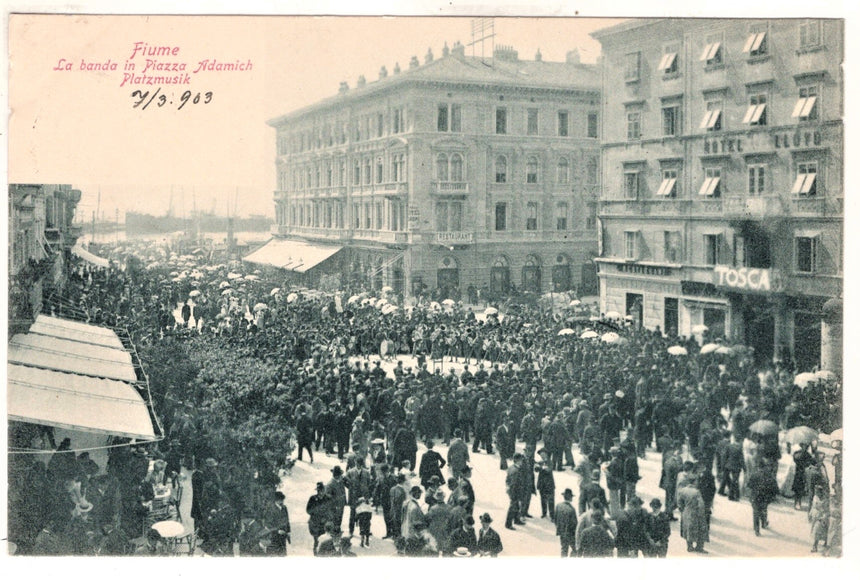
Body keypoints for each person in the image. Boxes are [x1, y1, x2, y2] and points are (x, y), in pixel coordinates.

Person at [747, 461, 779, 537]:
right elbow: (775, 488)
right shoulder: (770, 476)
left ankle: (757, 529)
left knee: (755, 512)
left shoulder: (754, 475)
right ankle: (764, 523)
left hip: (755, 496)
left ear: (758, 467)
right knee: (764, 510)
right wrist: (772, 496)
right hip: (765, 497)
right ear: (765, 467)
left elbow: (749, 486)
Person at [676, 477, 708, 552]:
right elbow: (701, 504)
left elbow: (679, 503)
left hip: (686, 512)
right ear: (694, 482)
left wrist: (683, 510)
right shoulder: (697, 492)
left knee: (688, 529)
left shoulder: (682, 491)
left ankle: (689, 547)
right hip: (695, 512)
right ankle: (699, 547)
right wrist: (702, 514)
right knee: (700, 529)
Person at [262, 490, 291, 555]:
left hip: (283, 536)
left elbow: (287, 520)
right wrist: (277, 531)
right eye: (280, 499)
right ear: (276, 500)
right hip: (273, 537)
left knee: (282, 554)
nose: (282, 501)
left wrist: (288, 531)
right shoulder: (270, 509)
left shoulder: (284, 508)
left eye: (282, 499)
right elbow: (268, 524)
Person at [306, 482, 330, 554]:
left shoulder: (327, 498)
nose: (321, 492)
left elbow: (331, 510)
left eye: (323, 490)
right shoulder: (312, 498)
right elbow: (308, 510)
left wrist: (326, 517)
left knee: (324, 537)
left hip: (324, 522)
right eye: (320, 491)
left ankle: (323, 551)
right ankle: (316, 550)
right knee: (316, 538)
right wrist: (316, 514)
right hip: (315, 522)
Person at [504, 453, 526, 529]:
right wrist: (516, 495)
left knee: (516, 506)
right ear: (517, 460)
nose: (522, 461)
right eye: (520, 460)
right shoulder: (516, 471)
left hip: (512, 490)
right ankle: (508, 524)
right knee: (513, 507)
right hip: (515, 492)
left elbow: (507, 480)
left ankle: (516, 519)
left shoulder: (511, 468)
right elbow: (514, 484)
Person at [554, 488, 578, 557]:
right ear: (570, 498)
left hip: (562, 532)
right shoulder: (572, 509)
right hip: (570, 534)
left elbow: (555, 519)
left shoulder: (558, 506)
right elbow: (575, 524)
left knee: (564, 550)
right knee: (575, 549)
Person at [808, 484, 829, 553]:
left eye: (817, 491)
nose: (816, 493)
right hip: (815, 516)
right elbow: (813, 506)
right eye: (815, 491)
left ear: (821, 492)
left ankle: (816, 546)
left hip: (821, 517)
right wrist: (810, 514)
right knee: (816, 531)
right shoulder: (815, 497)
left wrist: (824, 518)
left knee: (818, 531)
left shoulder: (825, 500)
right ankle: (818, 545)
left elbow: (826, 510)